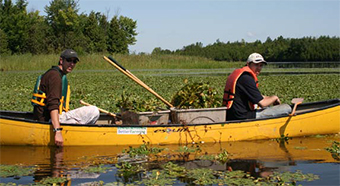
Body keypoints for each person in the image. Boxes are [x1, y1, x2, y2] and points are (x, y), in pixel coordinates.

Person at [31, 49, 100, 146]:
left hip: (49, 117)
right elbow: (53, 105)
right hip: (48, 119)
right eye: (69, 60)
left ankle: (76, 128)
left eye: (74, 61)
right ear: (61, 60)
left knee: (82, 117)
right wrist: (58, 131)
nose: (71, 64)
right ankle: (79, 134)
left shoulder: (55, 73)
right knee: (94, 111)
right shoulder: (55, 76)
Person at [223, 53, 291, 121]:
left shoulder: (242, 76)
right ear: (248, 64)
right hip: (243, 116)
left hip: (232, 114)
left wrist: (271, 98)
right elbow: (263, 103)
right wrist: (275, 97)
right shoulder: (246, 78)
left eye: (261, 65)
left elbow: (258, 97)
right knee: (286, 108)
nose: (259, 68)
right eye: (256, 65)